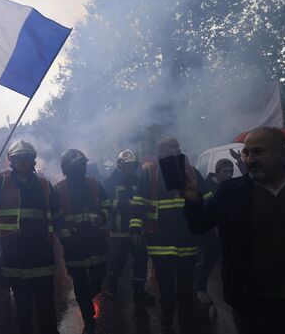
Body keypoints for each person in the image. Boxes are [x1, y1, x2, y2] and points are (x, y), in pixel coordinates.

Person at [182, 127, 285, 334]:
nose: (250, 159)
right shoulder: (230, 191)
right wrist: (193, 202)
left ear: (282, 155)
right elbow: (199, 225)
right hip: (251, 302)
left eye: (258, 152)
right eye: (246, 152)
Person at [0, 140, 62, 334]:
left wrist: (68, 240)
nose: (22, 162)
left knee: (46, 305)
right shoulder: (0, 184)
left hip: (42, 255)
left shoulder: (45, 185)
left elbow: (58, 212)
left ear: (33, 160)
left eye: (26, 158)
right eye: (18, 158)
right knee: (23, 309)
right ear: (11, 161)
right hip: (14, 256)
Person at [130, 137, 208, 334]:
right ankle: (167, 318)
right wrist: (135, 229)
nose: (178, 150)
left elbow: (206, 198)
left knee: (185, 286)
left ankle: (185, 322)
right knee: (166, 287)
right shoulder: (150, 173)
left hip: (187, 240)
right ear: (161, 152)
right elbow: (139, 202)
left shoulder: (190, 170)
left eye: (179, 147)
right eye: (173, 147)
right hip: (160, 240)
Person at [55, 149, 111, 333]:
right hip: (74, 246)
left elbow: (107, 205)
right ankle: (89, 322)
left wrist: (101, 216)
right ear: (67, 169)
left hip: (96, 242)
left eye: (82, 165)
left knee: (98, 279)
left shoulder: (94, 184)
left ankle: (86, 298)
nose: (81, 169)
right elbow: (56, 218)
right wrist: (67, 238)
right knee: (80, 285)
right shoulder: (59, 189)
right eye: (77, 166)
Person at [104, 149, 154, 303]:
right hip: (119, 229)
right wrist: (125, 204)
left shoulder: (138, 180)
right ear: (120, 165)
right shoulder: (111, 181)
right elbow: (106, 203)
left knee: (140, 259)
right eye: (128, 166)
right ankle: (111, 286)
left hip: (136, 228)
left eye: (133, 166)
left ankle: (139, 292)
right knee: (119, 259)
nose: (131, 169)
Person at [195, 159, 233, 305]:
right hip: (211, 234)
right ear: (217, 172)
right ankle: (201, 290)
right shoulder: (208, 187)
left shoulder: (230, 186)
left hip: (227, 232)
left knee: (230, 263)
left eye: (231, 171)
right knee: (208, 263)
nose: (229, 174)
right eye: (225, 172)